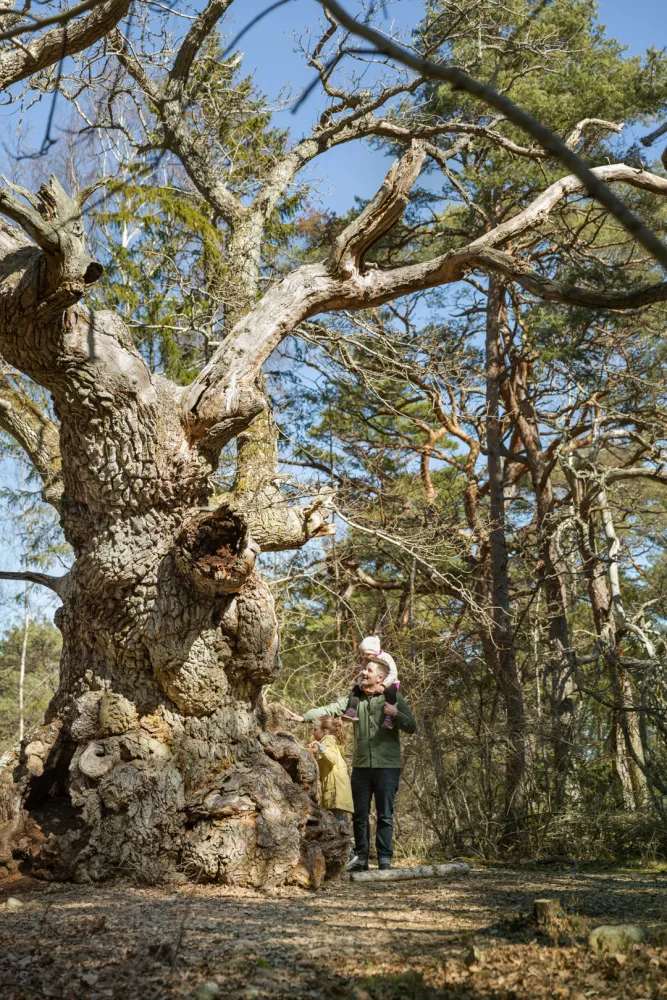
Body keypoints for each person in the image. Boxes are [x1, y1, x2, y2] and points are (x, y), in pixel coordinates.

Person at [288, 658, 416, 872]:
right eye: (364, 669)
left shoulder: (393, 697)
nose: (363, 672)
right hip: (361, 766)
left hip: (388, 766)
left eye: (369, 670)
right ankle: (362, 859)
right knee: (359, 814)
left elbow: (412, 726)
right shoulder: (354, 700)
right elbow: (329, 709)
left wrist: (396, 714)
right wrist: (303, 717)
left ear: (380, 677)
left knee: (385, 814)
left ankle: (384, 860)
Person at [307, 716, 353, 834]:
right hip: (336, 788)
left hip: (336, 789)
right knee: (336, 820)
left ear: (325, 731)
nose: (313, 732)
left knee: (336, 822)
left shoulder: (328, 740)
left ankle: (348, 849)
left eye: (315, 729)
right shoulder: (330, 741)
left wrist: (320, 746)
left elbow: (332, 758)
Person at [342, 636, 399, 730]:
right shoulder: (365, 661)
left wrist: (383, 685)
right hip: (371, 684)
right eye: (362, 653)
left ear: (374, 652)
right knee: (355, 689)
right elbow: (361, 674)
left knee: (391, 690)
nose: (364, 656)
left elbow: (393, 674)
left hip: (388, 683)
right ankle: (351, 710)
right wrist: (362, 686)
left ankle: (389, 717)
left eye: (367, 654)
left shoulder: (386, 657)